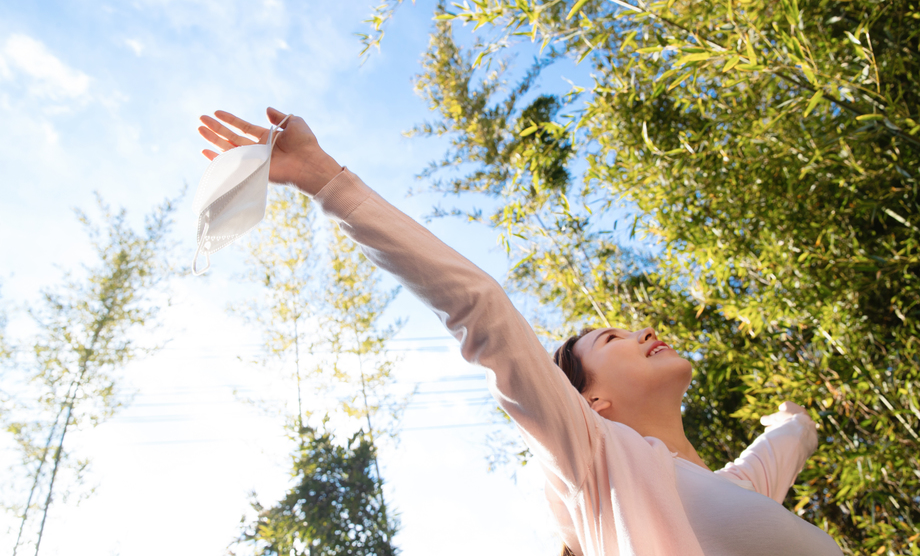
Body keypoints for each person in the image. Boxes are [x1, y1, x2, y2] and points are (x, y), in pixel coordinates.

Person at [197, 108, 844, 556]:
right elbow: (480, 307)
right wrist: (323, 179)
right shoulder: (597, 458)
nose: (642, 330)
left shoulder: (739, 487)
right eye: (611, 339)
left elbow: (792, 438)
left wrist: (791, 418)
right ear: (592, 403)